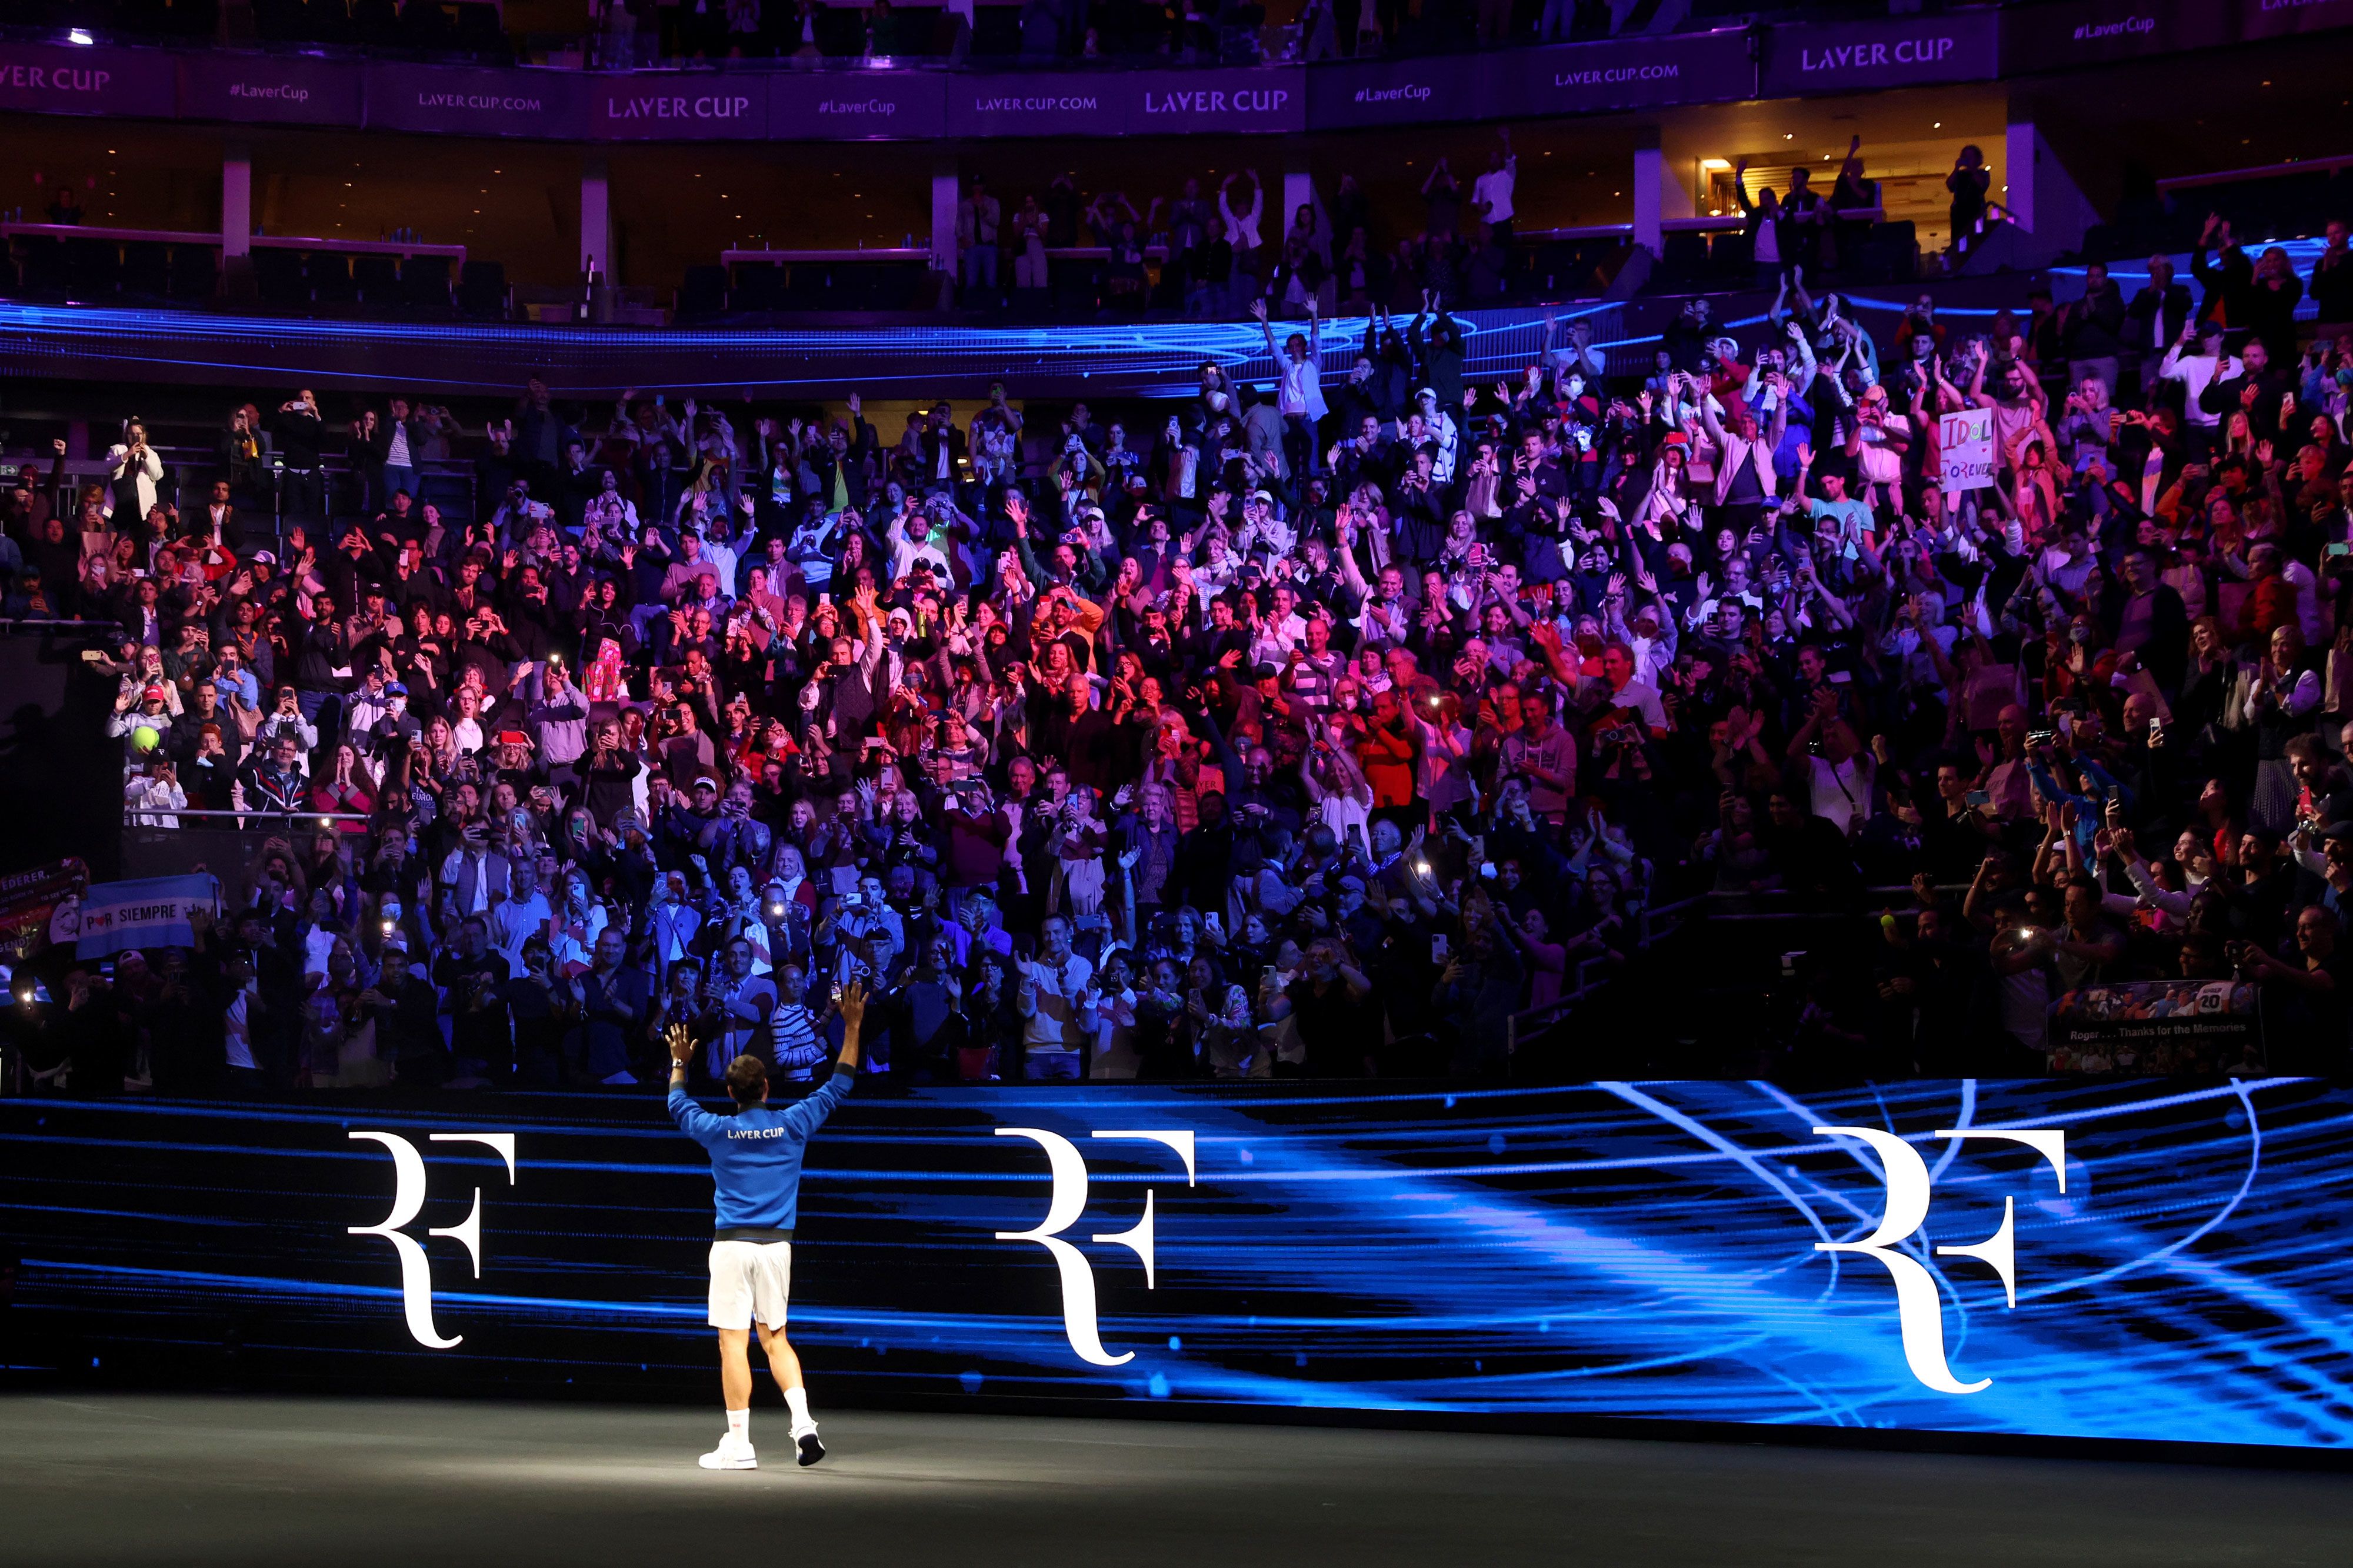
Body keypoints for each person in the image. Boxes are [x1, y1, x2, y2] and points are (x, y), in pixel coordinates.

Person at [664, 978, 866, 1472]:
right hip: (778, 1249)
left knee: (733, 1342)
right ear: (768, 1088)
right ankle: (803, 1426)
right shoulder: (794, 1121)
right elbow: (841, 1080)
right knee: (775, 1338)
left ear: (731, 1093)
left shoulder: (719, 1129)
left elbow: (677, 1104)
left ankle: (740, 1444)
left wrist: (680, 1063)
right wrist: (853, 1026)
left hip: (733, 1248)